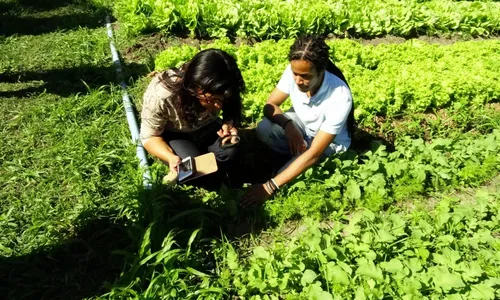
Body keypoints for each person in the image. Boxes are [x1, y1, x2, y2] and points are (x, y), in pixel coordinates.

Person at [241, 35, 355, 207]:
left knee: (290, 172)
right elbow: (270, 105)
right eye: (295, 74)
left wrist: (269, 186)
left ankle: (288, 166)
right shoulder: (295, 71)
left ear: (322, 70)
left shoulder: (339, 95)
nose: (298, 81)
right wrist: (289, 127)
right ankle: (293, 158)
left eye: (306, 76)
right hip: (302, 125)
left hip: (327, 145)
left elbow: (314, 153)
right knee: (264, 128)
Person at [140, 48, 245, 188]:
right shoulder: (162, 95)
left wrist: (228, 124)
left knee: (230, 150)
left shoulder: (223, 85)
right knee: (191, 172)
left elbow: (232, 107)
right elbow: (149, 138)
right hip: (175, 133)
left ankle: (214, 168)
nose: (218, 106)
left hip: (206, 126)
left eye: (222, 100)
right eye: (212, 99)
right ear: (194, 88)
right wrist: (170, 157)